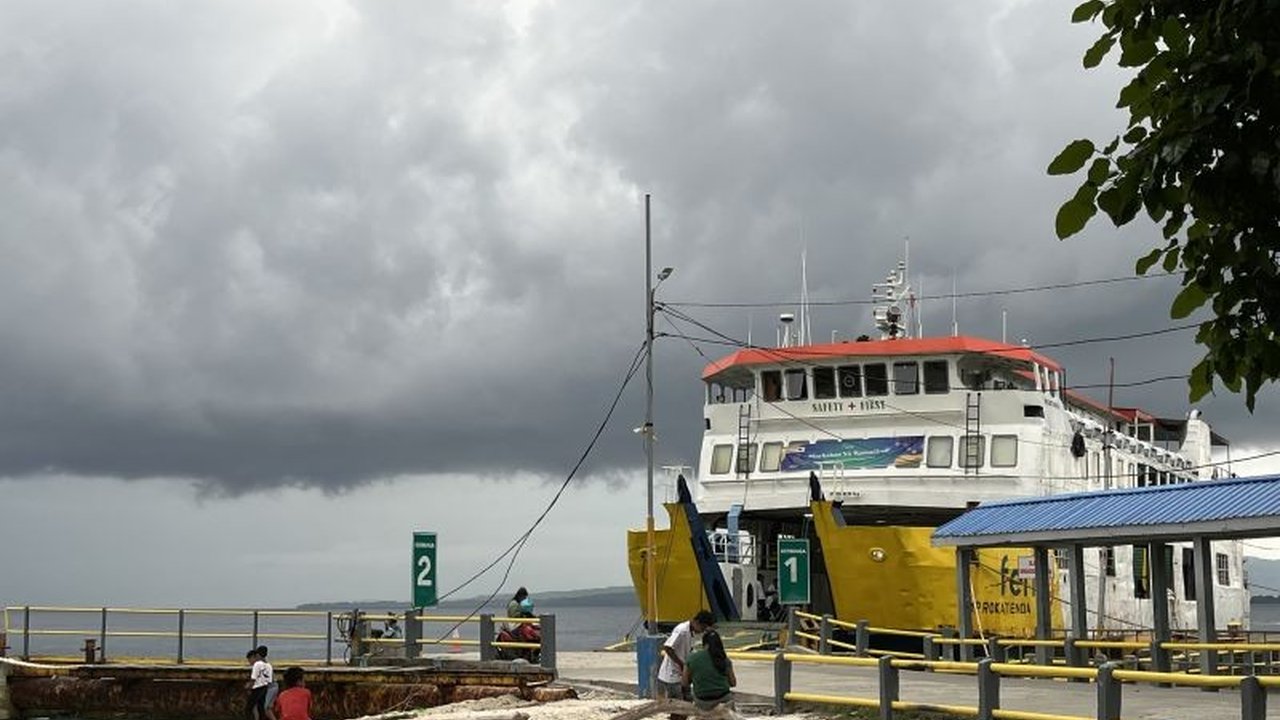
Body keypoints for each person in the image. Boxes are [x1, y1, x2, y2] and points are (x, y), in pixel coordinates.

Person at [656, 610, 715, 712]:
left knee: (687, 703)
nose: (701, 631)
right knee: (678, 708)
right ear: (697, 622)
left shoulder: (691, 633)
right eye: (702, 628)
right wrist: (681, 664)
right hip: (672, 675)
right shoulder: (682, 631)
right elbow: (668, 647)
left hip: (682, 674)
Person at [682, 630, 736, 711]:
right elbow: (733, 683)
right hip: (724, 700)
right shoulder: (724, 659)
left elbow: (684, 683)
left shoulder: (692, 658)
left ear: (704, 644)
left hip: (703, 702)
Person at [244, 647, 275, 720]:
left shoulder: (257, 664)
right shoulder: (267, 665)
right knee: (261, 708)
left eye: (249, 660)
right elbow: (268, 679)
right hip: (265, 687)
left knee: (249, 708)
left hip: (259, 688)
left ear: (256, 656)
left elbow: (253, 679)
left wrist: (248, 686)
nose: (250, 662)